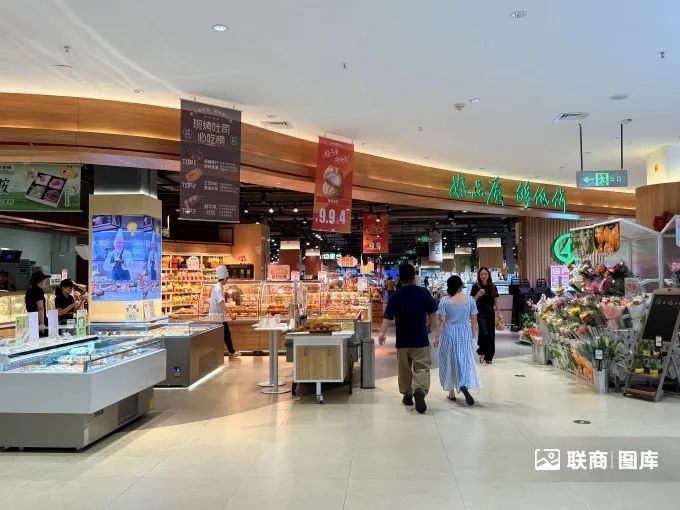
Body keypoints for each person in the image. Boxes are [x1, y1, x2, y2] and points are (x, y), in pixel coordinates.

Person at [378, 263, 437, 414]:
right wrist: (431, 326)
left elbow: (387, 317)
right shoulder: (423, 293)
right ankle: (419, 390)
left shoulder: (396, 295)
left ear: (400, 278)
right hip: (420, 339)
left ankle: (407, 395)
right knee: (422, 367)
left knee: (404, 370)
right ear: (414, 276)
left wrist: (382, 333)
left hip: (403, 341)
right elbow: (432, 312)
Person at [434, 275, 482, 405]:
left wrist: (437, 337)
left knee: (449, 360)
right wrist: (473, 334)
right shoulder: (470, 300)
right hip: (464, 332)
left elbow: (441, 321)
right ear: (460, 286)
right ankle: (463, 383)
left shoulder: (444, 301)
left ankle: (451, 392)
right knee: (464, 360)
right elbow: (474, 320)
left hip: (449, 333)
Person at [209, 265, 241, 358]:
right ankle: (226, 352)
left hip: (219, 316)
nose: (227, 281)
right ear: (224, 278)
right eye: (227, 279)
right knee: (223, 335)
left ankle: (230, 352)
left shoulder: (218, 287)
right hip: (217, 317)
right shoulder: (218, 288)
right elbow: (222, 303)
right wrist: (231, 315)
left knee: (226, 334)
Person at [471, 267, 499, 364]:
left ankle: (489, 357)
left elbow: (496, 301)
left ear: (488, 275)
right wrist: (478, 294)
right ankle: (482, 351)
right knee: (484, 332)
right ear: (479, 275)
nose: (484, 276)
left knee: (491, 334)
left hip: (490, 313)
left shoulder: (493, 286)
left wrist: (499, 313)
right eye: (482, 274)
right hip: (480, 312)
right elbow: (472, 301)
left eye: (485, 274)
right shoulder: (476, 286)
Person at [25, 271, 50, 337]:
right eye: (45, 281)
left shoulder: (28, 291)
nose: (45, 283)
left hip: (31, 320)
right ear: (40, 281)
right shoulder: (39, 290)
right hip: (39, 321)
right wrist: (42, 324)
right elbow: (40, 308)